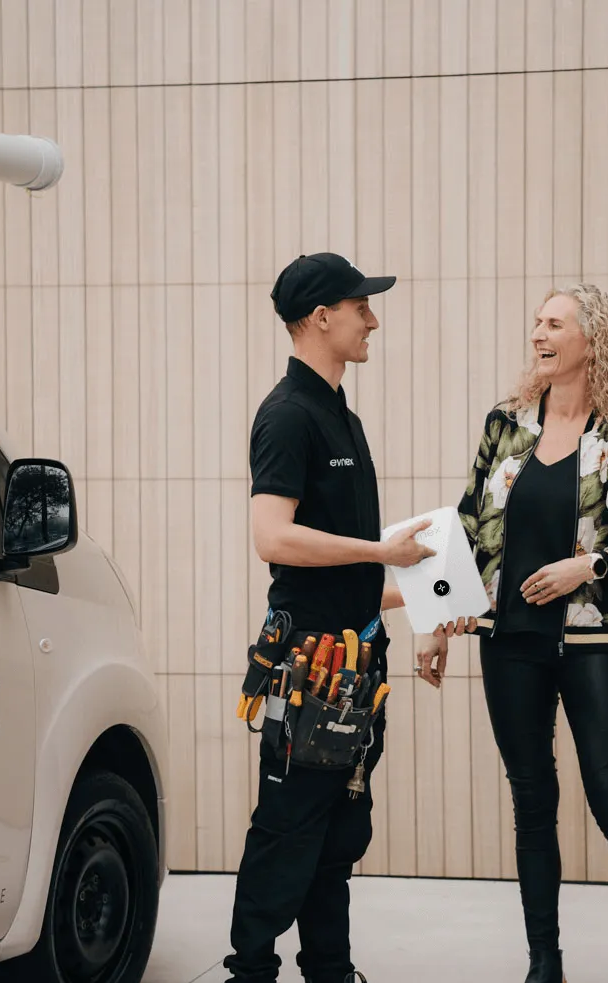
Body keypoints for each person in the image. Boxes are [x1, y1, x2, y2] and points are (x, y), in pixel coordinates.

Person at [422, 283, 608, 983]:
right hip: (509, 639)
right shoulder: (506, 424)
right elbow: (465, 525)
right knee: (532, 800)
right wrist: (436, 621)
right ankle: (545, 960)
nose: (538, 333)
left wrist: (589, 565)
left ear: (591, 340)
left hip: (595, 640)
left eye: (553, 323)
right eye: (536, 322)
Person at [223, 251, 436, 983]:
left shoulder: (341, 415)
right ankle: (248, 971)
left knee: (336, 832)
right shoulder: (287, 417)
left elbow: (350, 578)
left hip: (353, 667)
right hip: (310, 669)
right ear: (321, 317)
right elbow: (272, 538)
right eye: (360, 306)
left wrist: (441, 595)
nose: (372, 318)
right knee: (286, 830)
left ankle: (330, 970)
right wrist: (381, 549)